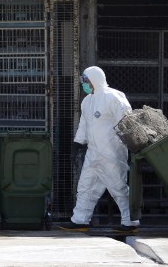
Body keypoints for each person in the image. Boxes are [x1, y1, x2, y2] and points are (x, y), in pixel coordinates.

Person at [58, 65, 139, 233]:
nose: (85, 85)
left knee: (118, 188)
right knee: (85, 187)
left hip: (112, 153)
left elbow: (128, 123)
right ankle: (80, 220)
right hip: (93, 153)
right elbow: (84, 125)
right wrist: (78, 144)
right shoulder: (87, 102)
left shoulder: (114, 97)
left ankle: (130, 221)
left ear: (95, 80)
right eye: (83, 81)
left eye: (87, 81)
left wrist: (132, 144)